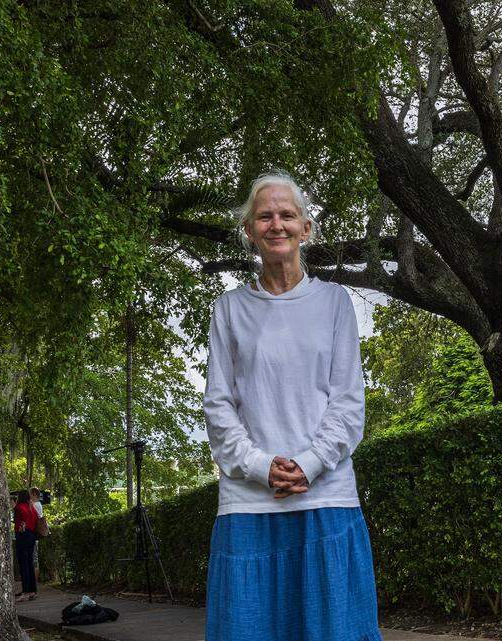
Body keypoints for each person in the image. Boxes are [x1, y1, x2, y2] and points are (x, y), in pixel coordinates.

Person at [203, 172, 381, 641]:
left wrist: (308, 464)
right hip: (248, 505)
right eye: (265, 215)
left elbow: (347, 403)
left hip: (326, 497)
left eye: (287, 214)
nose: (276, 223)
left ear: (306, 227)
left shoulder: (334, 302)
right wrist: (263, 467)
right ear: (249, 231)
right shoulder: (228, 310)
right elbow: (219, 408)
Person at [13, 489, 38, 602]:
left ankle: (25, 592)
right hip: (32, 535)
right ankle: (32, 590)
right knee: (29, 563)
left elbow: (21, 517)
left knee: (23, 564)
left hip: (22, 535)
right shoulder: (31, 507)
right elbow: (36, 519)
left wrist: (22, 523)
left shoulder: (20, 507)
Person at [29, 487, 48, 580]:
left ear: (34, 495)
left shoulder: (36, 505)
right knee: (33, 557)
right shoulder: (38, 504)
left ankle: (35, 581)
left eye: (30, 494)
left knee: (34, 558)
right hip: (35, 533)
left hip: (34, 532)